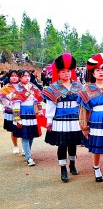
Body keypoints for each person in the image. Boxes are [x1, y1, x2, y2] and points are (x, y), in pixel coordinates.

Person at [77, 53, 103, 190]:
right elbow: (83, 110)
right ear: (93, 73)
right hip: (95, 119)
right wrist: (84, 127)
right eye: (98, 70)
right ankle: (96, 168)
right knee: (97, 148)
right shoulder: (86, 89)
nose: (101, 72)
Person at [41, 54, 84, 182]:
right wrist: (49, 121)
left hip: (74, 118)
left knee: (73, 143)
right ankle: (63, 168)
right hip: (60, 119)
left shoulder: (78, 86)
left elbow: (82, 104)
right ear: (58, 72)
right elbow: (50, 106)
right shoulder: (53, 88)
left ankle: (72, 164)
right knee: (62, 144)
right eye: (63, 71)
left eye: (68, 71)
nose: (66, 74)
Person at [10, 69, 44, 166]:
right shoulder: (18, 89)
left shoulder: (33, 87)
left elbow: (39, 100)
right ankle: (29, 158)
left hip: (32, 113)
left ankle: (27, 152)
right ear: (20, 78)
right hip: (23, 113)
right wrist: (17, 119)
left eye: (28, 76)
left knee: (31, 135)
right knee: (25, 136)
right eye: (24, 76)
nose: (27, 78)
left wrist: (40, 111)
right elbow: (16, 105)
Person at [0, 70, 21, 154]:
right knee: (14, 129)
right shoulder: (5, 88)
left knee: (23, 127)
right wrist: (11, 105)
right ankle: (15, 146)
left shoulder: (23, 87)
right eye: (12, 76)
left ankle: (24, 147)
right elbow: (3, 99)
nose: (14, 77)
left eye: (16, 75)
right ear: (9, 77)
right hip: (11, 111)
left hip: (22, 110)